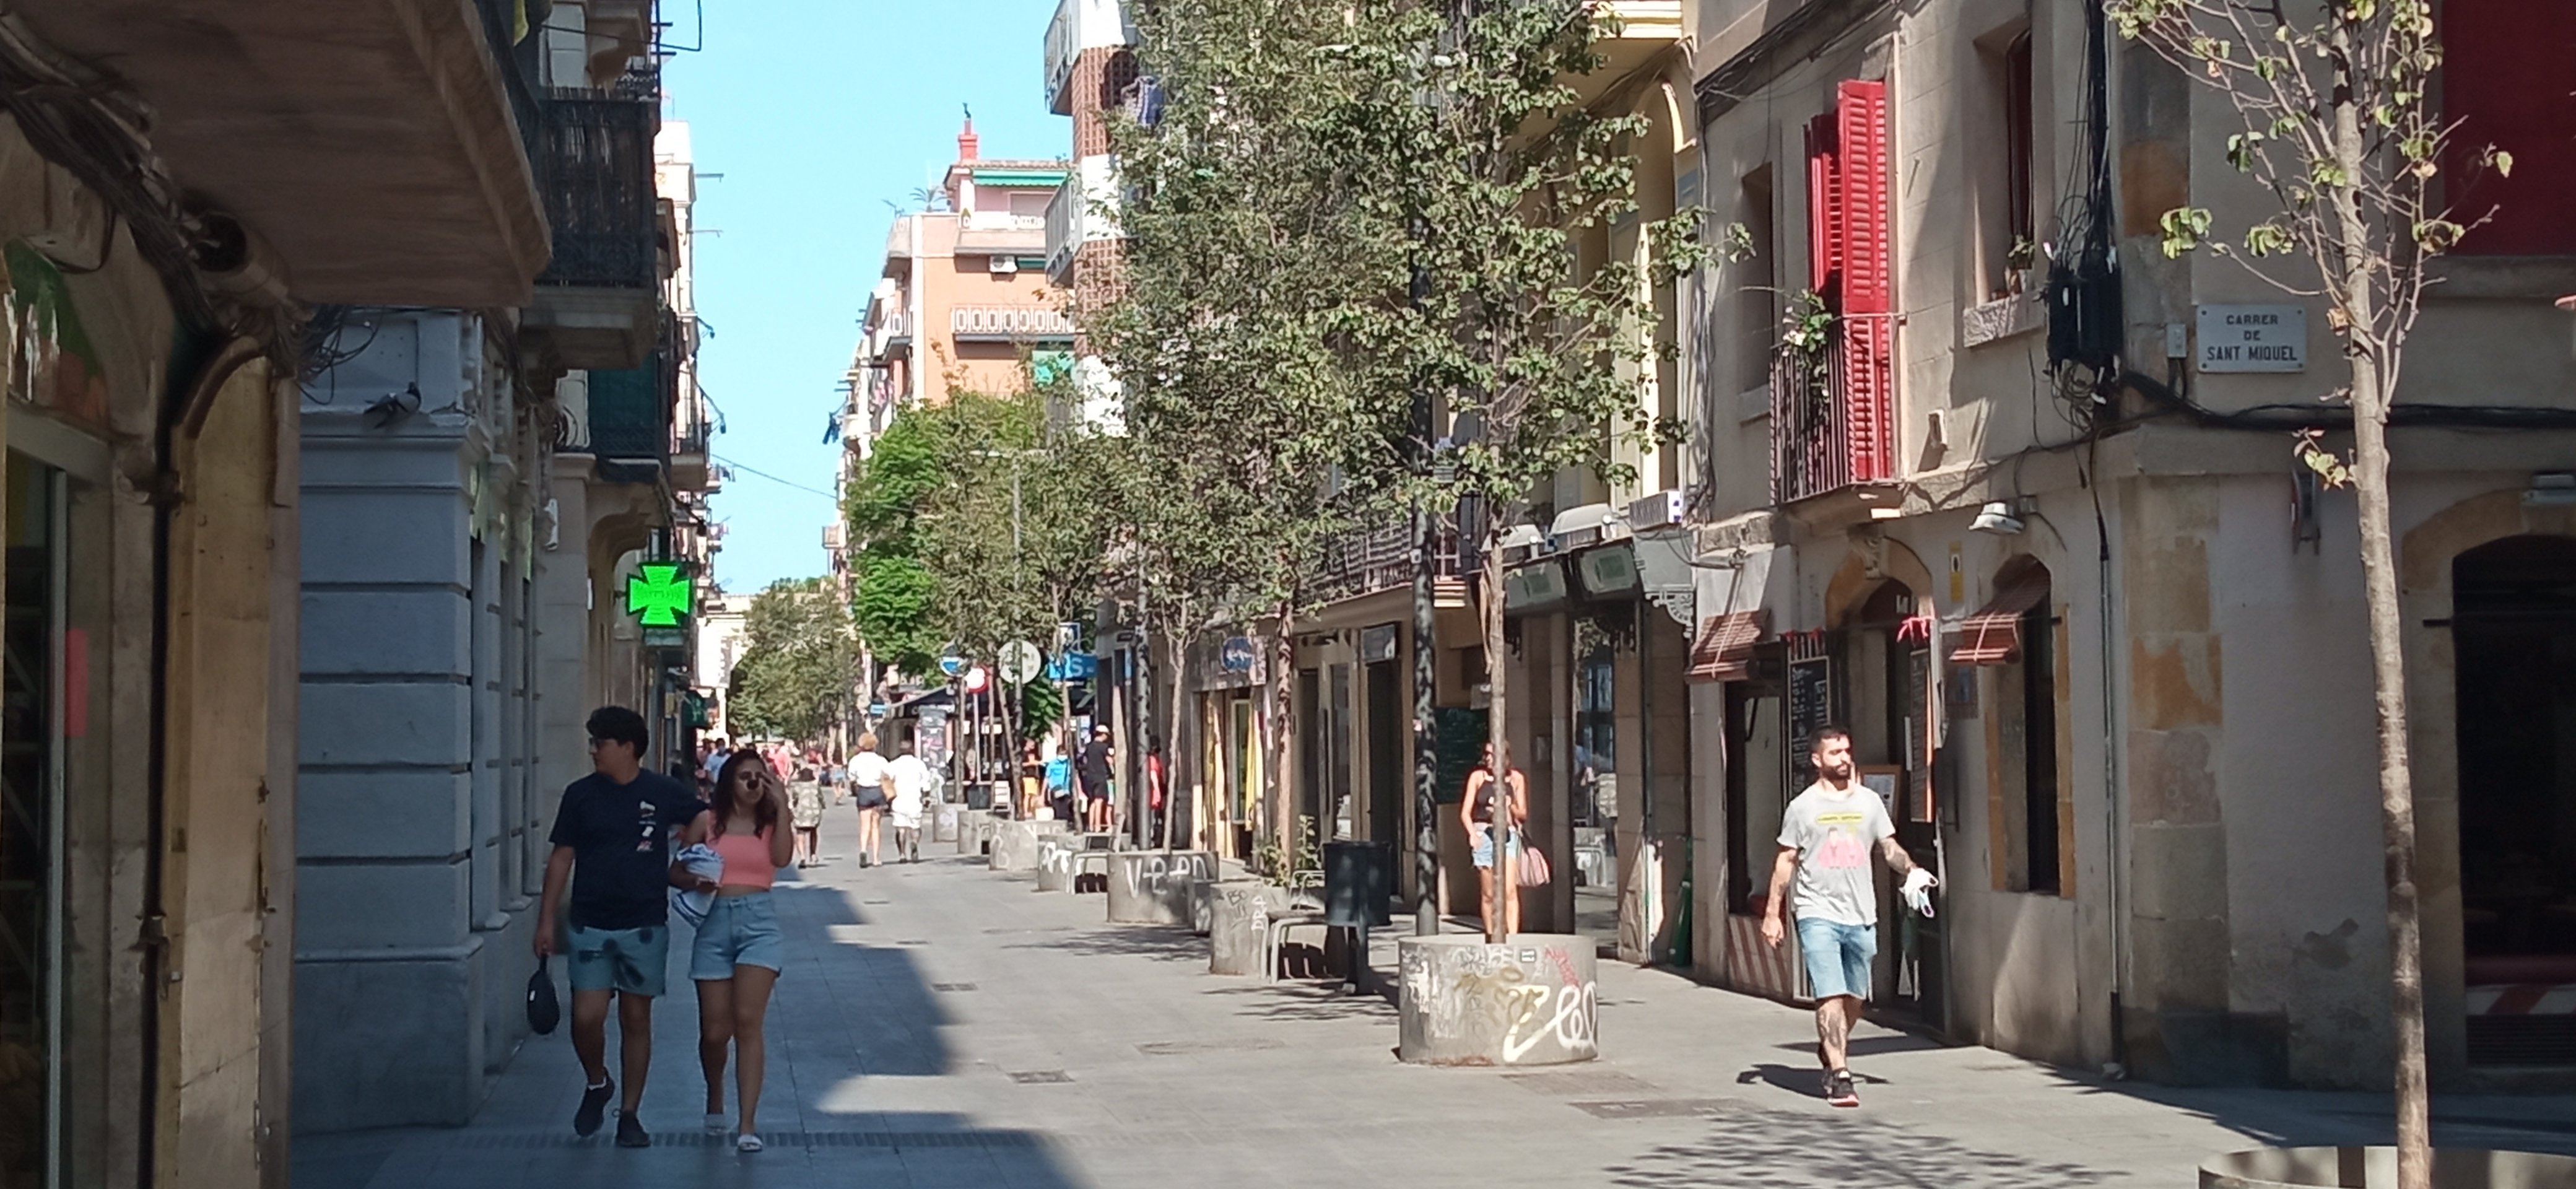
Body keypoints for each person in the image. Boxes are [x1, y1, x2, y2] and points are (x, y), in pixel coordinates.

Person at [534, 705, 708, 1148]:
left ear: (627, 748)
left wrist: (692, 838)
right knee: (586, 1018)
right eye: (592, 743)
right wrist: (546, 920)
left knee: (636, 1018)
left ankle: (630, 1113)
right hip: (590, 922)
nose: (593, 751)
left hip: (644, 923)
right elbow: (561, 857)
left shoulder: (662, 790)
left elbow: (703, 814)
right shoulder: (580, 795)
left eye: (601, 743)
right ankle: (598, 1081)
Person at [1761, 726, 1935, 1109]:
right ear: (1817, 760)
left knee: (1855, 998)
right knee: (1830, 995)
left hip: (1860, 913)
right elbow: (1785, 860)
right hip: (1815, 912)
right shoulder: (1802, 807)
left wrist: (1912, 870)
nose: (1844, 758)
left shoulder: (1870, 802)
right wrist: (1772, 913)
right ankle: (1840, 1073)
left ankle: (1830, 1046)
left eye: (1846, 751)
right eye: (1835, 752)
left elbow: (1888, 847)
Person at [677, 751, 794, 1152]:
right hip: (713, 924)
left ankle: (747, 1124)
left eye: (760, 777)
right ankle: (715, 1097)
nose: (753, 784)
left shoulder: (769, 823)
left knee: (748, 1022)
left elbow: (782, 858)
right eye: (745, 777)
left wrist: (782, 806)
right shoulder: (706, 822)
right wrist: (696, 880)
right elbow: (675, 869)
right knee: (715, 1032)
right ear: (728, 781)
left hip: (758, 924)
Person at [1460, 743, 1530, 937]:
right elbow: (1466, 812)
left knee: (1509, 891)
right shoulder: (1478, 777)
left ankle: (1513, 936)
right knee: (1488, 893)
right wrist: (1473, 835)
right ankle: (1491, 934)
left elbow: (1523, 813)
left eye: (1492, 754)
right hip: (1484, 832)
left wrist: (1509, 805)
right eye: (1486, 754)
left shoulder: (1516, 779)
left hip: (1508, 834)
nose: (1488, 758)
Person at [885, 740, 931, 862]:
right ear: (912, 750)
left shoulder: (893, 764)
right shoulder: (919, 764)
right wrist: (926, 796)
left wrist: (887, 798)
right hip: (915, 800)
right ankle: (915, 842)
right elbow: (926, 782)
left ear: (900, 751)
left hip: (898, 801)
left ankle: (902, 855)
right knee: (915, 827)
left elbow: (886, 781)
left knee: (901, 828)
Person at [848, 734, 889, 866]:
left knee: (864, 826)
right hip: (877, 791)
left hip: (863, 792)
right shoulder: (881, 760)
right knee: (876, 826)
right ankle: (876, 858)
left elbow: (851, 777)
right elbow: (888, 774)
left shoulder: (856, 760)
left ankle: (863, 850)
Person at [1077, 724, 1115, 834]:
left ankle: (1091, 825)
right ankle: (1098, 826)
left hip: (1090, 777)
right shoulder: (1104, 747)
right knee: (1099, 801)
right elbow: (1110, 761)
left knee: (1093, 802)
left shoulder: (1089, 747)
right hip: (1101, 776)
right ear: (1103, 735)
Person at [787, 764, 825, 867]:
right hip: (814, 812)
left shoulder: (797, 787)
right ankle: (813, 854)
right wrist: (823, 806)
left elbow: (794, 799)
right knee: (814, 832)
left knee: (800, 833)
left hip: (801, 812)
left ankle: (803, 857)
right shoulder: (815, 785)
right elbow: (821, 798)